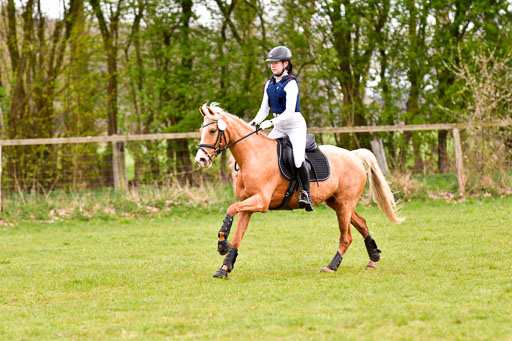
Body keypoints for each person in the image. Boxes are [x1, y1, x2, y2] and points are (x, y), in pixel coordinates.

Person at [249, 46, 313, 211]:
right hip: (278, 125)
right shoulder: (269, 84)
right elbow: (264, 109)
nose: (273, 66)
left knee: (298, 159)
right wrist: (254, 122)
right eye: (271, 63)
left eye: (276, 63)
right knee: (265, 155)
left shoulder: (291, 84)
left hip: (294, 126)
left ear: (286, 64)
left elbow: (290, 112)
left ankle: (306, 193)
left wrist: (270, 123)